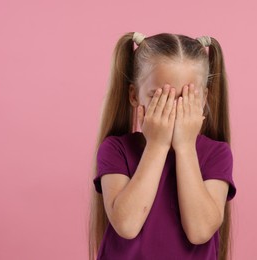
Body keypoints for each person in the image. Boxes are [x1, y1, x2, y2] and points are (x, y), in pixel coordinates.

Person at [88, 32, 237, 260]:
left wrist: (186, 147)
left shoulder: (216, 154)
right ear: (134, 96)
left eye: (184, 98)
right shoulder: (115, 149)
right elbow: (127, 225)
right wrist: (156, 145)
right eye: (160, 97)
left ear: (203, 99)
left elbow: (200, 231)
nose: (172, 110)